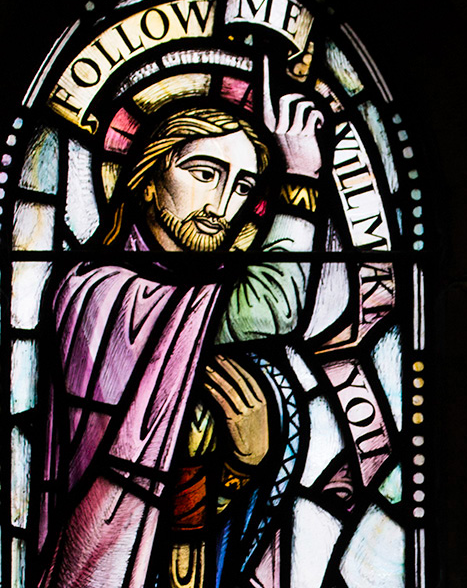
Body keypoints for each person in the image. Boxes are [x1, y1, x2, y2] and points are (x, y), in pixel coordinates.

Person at [38, 78, 325, 588]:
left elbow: (178, 501)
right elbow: (272, 304)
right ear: (147, 178)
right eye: (206, 173)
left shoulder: (195, 300)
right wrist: (300, 180)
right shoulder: (99, 291)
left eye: (241, 186)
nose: (223, 202)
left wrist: (245, 464)